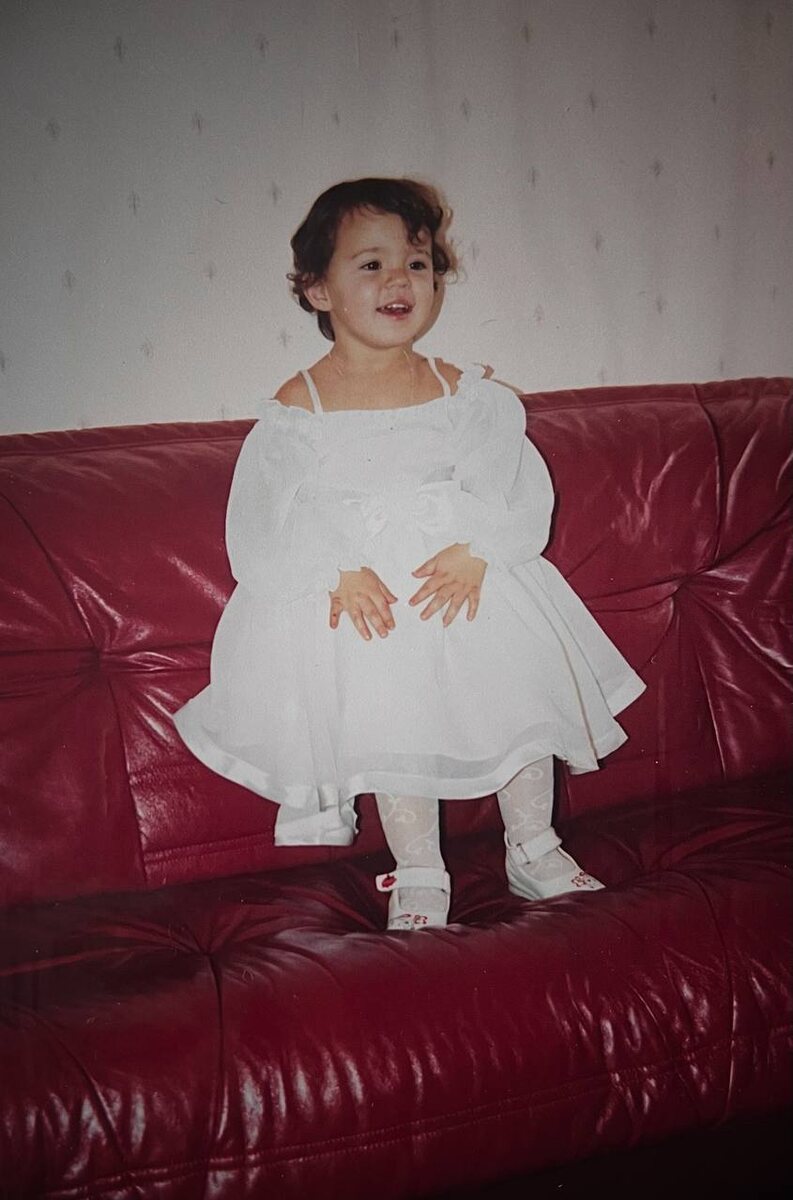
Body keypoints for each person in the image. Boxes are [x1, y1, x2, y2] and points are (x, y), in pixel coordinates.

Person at [172, 176, 645, 931]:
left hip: (467, 590)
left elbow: (515, 490)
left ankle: (534, 845)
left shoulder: (465, 395)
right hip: (374, 610)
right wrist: (334, 568)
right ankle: (420, 868)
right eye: (372, 264)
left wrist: (480, 549)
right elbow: (259, 530)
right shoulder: (297, 411)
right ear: (316, 289)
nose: (400, 280)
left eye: (417, 264)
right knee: (392, 715)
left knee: (519, 693)